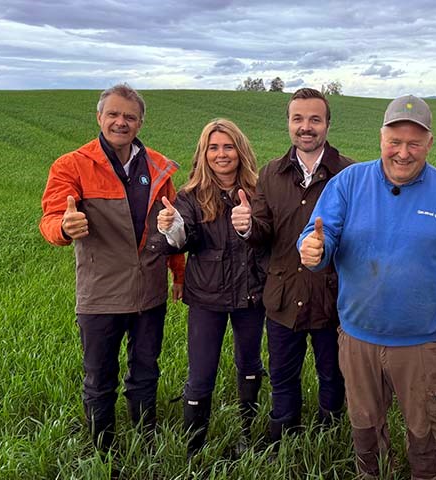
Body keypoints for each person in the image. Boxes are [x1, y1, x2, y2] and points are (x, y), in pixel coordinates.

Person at [298, 95, 436, 480]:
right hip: (359, 339)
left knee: (425, 432)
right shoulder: (349, 183)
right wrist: (312, 248)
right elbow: (319, 235)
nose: (403, 153)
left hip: (423, 344)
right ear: (380, 139)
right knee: (365, 427)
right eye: (395, 142)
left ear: (429, 144)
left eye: (414, 143)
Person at [39, 84, 184, 451]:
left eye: (129, 117)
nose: (121, 122)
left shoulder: (157, 166)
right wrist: (63, 228)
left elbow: (169, 225)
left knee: (146, 371)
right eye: (114, 115)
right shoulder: (72, 165)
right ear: (99, 117)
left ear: (140, 122)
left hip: (149, 292)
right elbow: (51, 218)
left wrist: (178, 275)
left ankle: (144, 439)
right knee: (99, 378)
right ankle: (104, 448)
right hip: (100, 293)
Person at [231, 88, 351, 444]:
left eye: (315, 119)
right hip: (282, 298)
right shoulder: (270, 174)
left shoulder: (349, 174)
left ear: (328, 124)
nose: (306, 127)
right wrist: (248, 225)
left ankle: (329, 441)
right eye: (298, 119)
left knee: (333, 376)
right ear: (288, 123)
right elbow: (263, 232)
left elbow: (359, 238)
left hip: (332, 299)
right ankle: (282, 439)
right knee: (283, 377)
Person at [157, 119, 267, 458]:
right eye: (213, 148)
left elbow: (269, 237)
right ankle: (194, 447)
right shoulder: (190, 196)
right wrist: (172, 227)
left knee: (249, 363)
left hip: (251, 293)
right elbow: (183, 239)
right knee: (202, 370)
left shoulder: (259, 191)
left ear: (240, 150)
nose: (221, 154)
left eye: (228, 146)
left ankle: (247, 432)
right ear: (204, 153)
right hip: (207, 296)